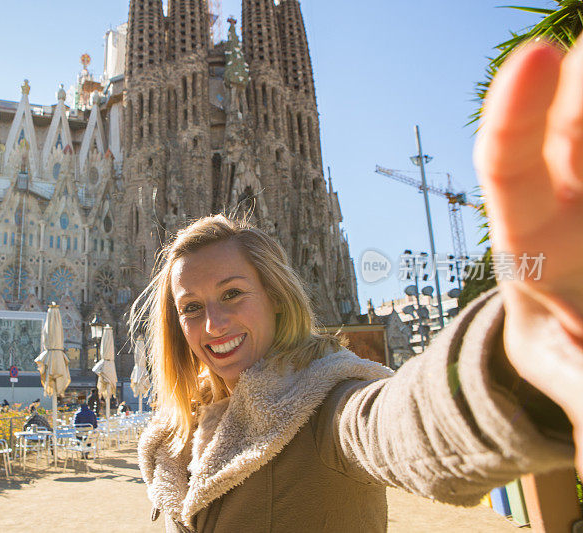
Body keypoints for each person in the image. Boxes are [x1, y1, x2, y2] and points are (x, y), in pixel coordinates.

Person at [132, 40, 583, 532]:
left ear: (278, 300)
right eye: (191, 306)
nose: (213, 323)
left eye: (233, 293)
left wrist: (512, 366)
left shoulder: (323, 401)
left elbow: (398, 427)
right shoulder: (178, 435)